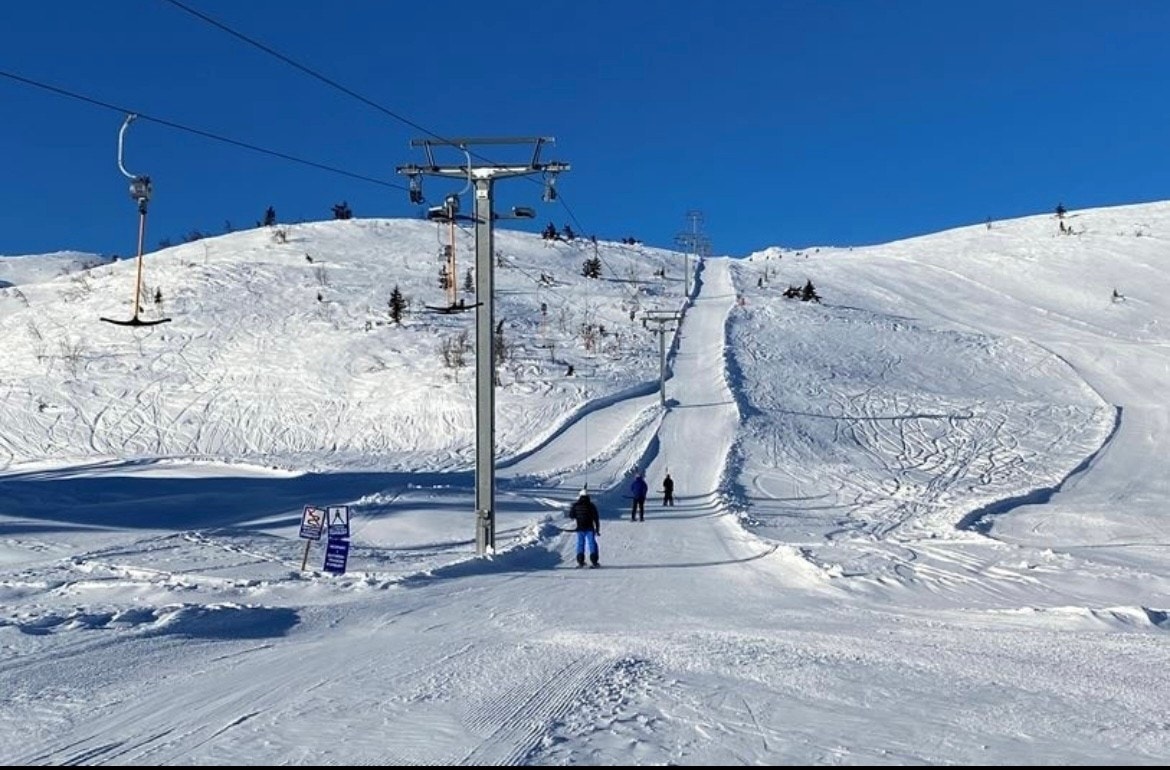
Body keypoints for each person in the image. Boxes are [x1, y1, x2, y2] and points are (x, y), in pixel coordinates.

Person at [568, 488, 600, 567]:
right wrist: (597, 529)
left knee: (580, 544)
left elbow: (571, 516)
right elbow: (596, 518)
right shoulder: (591, 506)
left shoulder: (575, 505)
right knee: (592, 544)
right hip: (590, 528)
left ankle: (580, 561)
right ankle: (594, 561)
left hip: (580, 528)